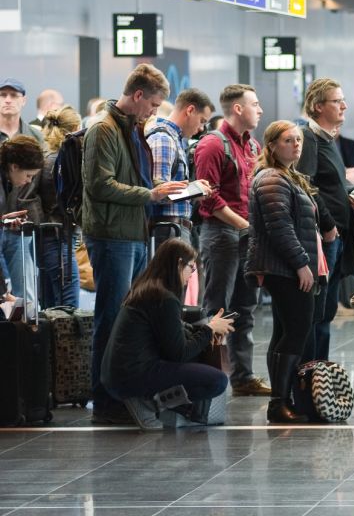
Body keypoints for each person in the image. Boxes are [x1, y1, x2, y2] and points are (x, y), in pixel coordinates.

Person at [83, 64, 188, 424]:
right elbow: (100, 185)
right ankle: (105, 397)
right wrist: (151, 193)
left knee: (130, 321)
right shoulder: (103, 129)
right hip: (112, 236)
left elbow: (129, 178)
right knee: (111, 319)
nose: (155, 112)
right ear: (138, 95)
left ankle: (123, 393)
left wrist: (162, 186)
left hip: (133, 233)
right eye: (154, 104)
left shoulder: (131, 129)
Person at [101, 240, 235, 430]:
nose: (191, 274)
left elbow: (171, 335)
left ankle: (155, 404)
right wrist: (209, 329)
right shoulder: (163, 298)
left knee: (200, 360)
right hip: (131, 376)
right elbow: (179, 353)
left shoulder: (148, 289)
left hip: (120, 374)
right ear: (178, 263)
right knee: (217, 381)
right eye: (191, 267)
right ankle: (149, 404)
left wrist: (206, 329)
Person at [248, 120, 325, 423]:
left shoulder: (288, 176)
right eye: (288, 140)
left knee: (286, 333)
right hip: (284, 268)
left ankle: (283, 400)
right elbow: (280, 229)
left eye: (298, 140)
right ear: (271, 146)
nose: (295, 144)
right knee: (295, 332)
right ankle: (278, 403)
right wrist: (301, 265)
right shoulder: (271, 178)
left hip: (287, 267)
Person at [195, 84, 268, 398]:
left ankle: (242, 376)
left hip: (245, 235)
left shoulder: (252, 146)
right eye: (254, 103)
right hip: (222, 236)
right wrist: (246, 226)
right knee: (217, 310)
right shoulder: (213, 144)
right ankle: (209, 377)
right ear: (237, 109)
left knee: (244, 308)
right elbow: (206, 200)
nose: (260, 109)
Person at [297, 78, 354, 362]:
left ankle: (319, 372)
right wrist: (329, 226)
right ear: (319, 106)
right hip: (323, 239)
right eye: (337, 101)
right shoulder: (308, 138)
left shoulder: (327, 139)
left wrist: (351, 192)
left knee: (326, 311)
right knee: (316, 313)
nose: (344, 105)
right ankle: (310, 376)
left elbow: (332, 183)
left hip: (337, 236)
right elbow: (305, 186)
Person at [20, 107, 82, 307]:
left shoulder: (48, 157)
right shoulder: (60, 160)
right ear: (74, 128)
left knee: (52, 299)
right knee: (67, 303)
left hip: (51, 236)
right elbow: (29, 197)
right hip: (57, 235)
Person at [146, 88, 215, 244]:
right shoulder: (164, 139)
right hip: (167, 229)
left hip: (173, 228)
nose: (202, 128)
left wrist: (194, 190)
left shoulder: (174, 139)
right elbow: (158, 194)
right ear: (190, 110)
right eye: (202, 121)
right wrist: (193, 189)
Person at [0, 135, 44, 299]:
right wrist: (4, 294)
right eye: (28, 175)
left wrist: (3, 220)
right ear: (14, 167)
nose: (29, 181)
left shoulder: (5, 181)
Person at [0, 78, 45, 147]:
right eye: (3, 95)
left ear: (24, 100)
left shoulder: (36, 137)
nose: (8, 100)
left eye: (13, 95)